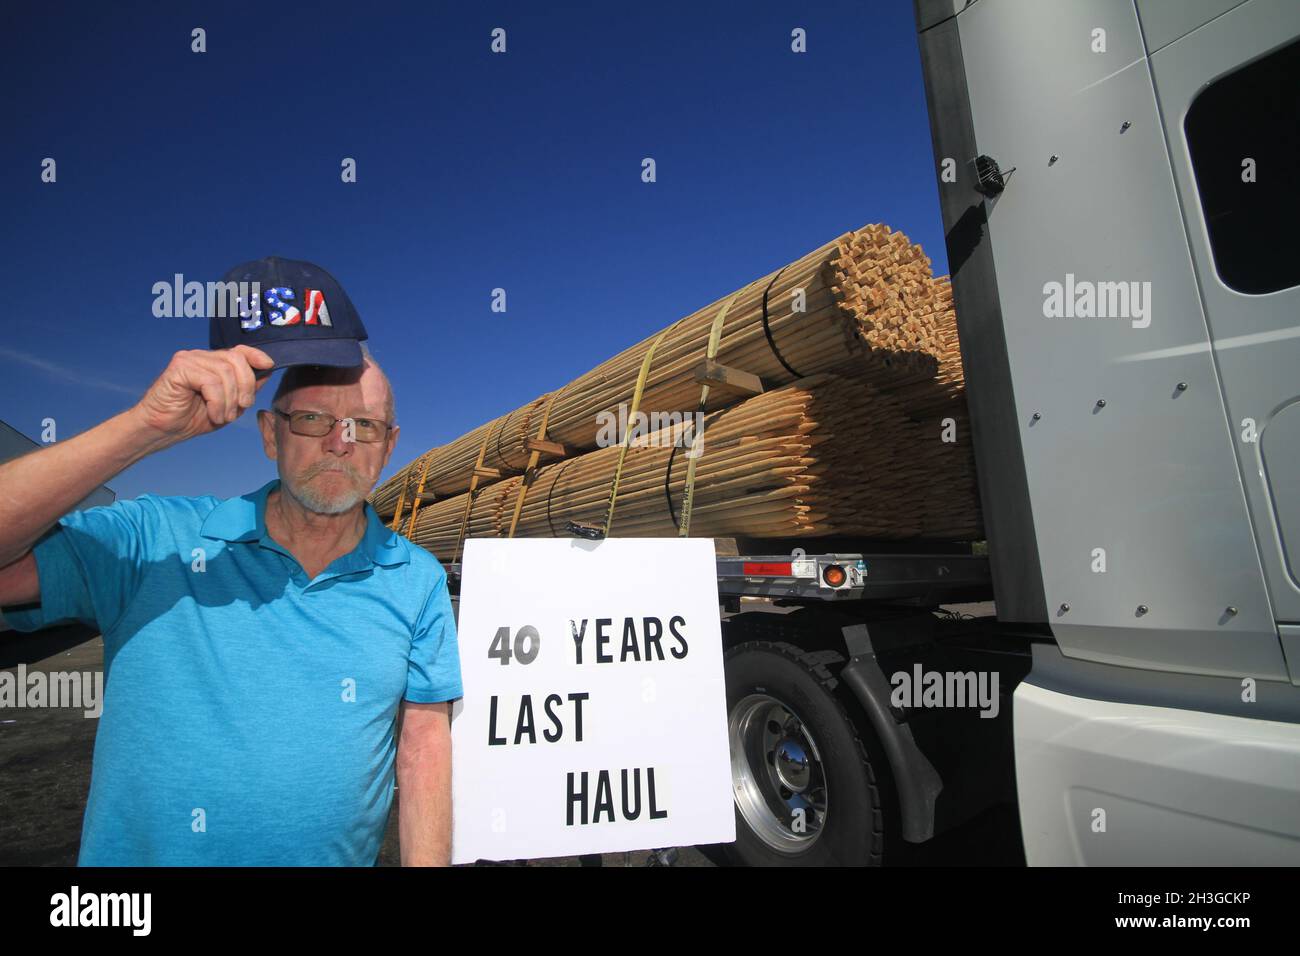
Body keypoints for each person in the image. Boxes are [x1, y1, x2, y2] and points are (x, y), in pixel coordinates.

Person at [0, 257, 461, 865]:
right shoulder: (152, 539)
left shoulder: (417, 581)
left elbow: (424, 749)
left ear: (390, 444)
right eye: (314, 419)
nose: (339, 442)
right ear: (269, 434)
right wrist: (146, 428)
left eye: (363, 425)